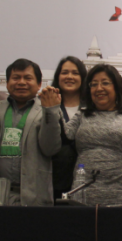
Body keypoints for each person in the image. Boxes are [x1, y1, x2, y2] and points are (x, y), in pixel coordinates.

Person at [63, 64, 122, 206]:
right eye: (94, 84)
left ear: (117, 88)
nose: (99, 88)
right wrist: (53, 109)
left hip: (120, 191)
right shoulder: (82, 114)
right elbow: (65, 136)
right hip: (82, 191)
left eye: (105, 83)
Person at [0, 59, 62, 206]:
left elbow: (50, 149)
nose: (21, 82)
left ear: (39, 84)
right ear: (7, 83)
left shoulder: (47, 111)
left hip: (33, 197)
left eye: (28, 78)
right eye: (16, 78)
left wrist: (50, 111)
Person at [50, 56, 86, 198]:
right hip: (54, 180)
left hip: (86, 180)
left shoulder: (92, 107)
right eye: (64, 72)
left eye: (75, 73)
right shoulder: (47, 105)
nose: (69, 77)